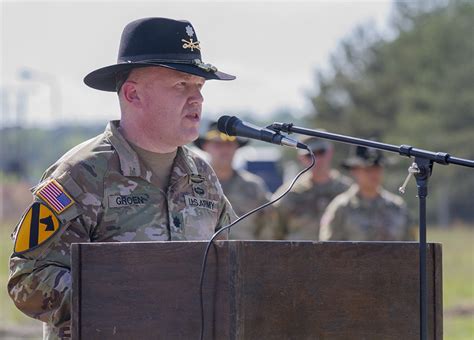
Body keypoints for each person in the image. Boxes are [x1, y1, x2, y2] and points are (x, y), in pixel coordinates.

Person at [7, 17, 237, 339]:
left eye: (199, 87)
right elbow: (27, 278)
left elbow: (232, 268)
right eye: (181, 85)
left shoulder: (202, 177)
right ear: (133, 95)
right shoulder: (80, 175)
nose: (197, 99)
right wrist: (127, 301)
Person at [195, 122, 272, 239]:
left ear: (237, 147)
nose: (225, 149)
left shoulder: (253, 187)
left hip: (244, 255)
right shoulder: (191, 184)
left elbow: (268, 229)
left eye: (229, 144)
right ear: (205, 146)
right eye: (218, 144)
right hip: (201, 255)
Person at [319, 145, 412, 241]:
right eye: (368, 169)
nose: (374, 174)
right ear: (354, 170)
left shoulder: (397, 207)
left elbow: (411, 248)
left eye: (377, 168)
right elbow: (328, 250)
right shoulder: (341, 207)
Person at [270, 136, 352, 240]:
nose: (317, 159)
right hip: (300, 255)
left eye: (321, 152)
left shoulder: (348, 191)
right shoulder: (289, 193)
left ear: (330, 152)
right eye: (310, 155)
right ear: (301, 158)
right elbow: (274, 233)